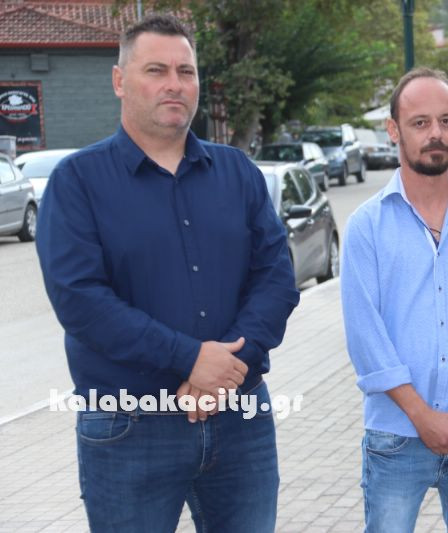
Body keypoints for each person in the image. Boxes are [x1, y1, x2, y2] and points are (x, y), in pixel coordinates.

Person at [35, 15, 299, 532]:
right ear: (119, 80)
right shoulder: (77, 182)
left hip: (239, 418)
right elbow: (80, 300)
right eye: (156, 70)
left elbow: (276, 278)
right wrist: (190, 359)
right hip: (129, 426)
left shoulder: (238, 172)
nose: (174, 84)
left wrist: (228, 368)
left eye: (186, 71)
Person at [340, 67, 448, 532]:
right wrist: (421, 416)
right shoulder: (367, 225)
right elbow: (365, 336)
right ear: (394, 129)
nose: (435, 133)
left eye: (446, 121)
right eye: (420, 122)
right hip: (396, 434)